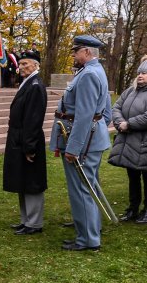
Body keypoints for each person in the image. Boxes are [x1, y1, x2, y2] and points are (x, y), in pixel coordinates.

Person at [49, 35, 111, 251]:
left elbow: (84, 115)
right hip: (91, 138)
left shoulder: (88, 75)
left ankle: (87, 240)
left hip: (83, 142)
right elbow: (106, 111)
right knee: (88, 187)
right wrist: (99, 127)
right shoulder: (96, 72)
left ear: (87, 52)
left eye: (76, 51)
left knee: (81, 190)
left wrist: (74, 148)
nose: (74, 55)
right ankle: (90, 232)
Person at [108, 55, 147, 225]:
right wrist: (120, 122)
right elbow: (117, 107)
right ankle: (133, 208)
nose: (140, 75)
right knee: (132, 176)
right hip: (130, 142)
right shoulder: (130, 91)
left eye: (145, 73)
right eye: (139, 72)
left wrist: (130, 124)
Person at [3, 52, 48, 235]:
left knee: (32, 182)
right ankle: (26, 220)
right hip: (19, 139)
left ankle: (34, 223)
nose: (21, 67)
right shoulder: (28, 82)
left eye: (25, 63)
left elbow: (33, 119)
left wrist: (29, 147)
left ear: (36, 65)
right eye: (20, 63)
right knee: (22, 181)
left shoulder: (36, 86)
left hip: (29, 140)